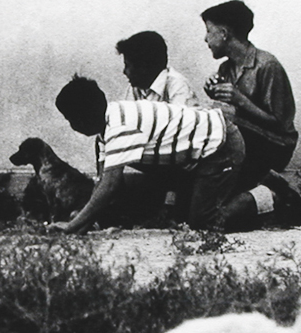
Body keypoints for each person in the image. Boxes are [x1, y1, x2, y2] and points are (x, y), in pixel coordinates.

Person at [49, 75, 245, 234]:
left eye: (70, 119)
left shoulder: (121, 126)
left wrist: (71, 227)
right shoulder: (105, 132)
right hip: (200, 153)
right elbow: (102, 182)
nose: (72, 126)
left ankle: (263, 195)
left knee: (203, 223)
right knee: (186, 218)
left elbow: (110, 185)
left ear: (81, 120)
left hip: (220, 145)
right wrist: (82, 225)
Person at [201, 0, 301, 227]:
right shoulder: (226, 68)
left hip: (274, 145)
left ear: (224, 33)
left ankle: (275, 192)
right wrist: (215, 93)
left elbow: (280, 123)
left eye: (209, 31)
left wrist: (239, 100)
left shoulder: (267, 65)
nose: (205, 39)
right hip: (245, 140)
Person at [116, 30, 201, 107]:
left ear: (144, 67)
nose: (124, 72)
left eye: (127, 65)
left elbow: (181, 122)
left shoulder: (177, 85)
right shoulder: (136, 88)